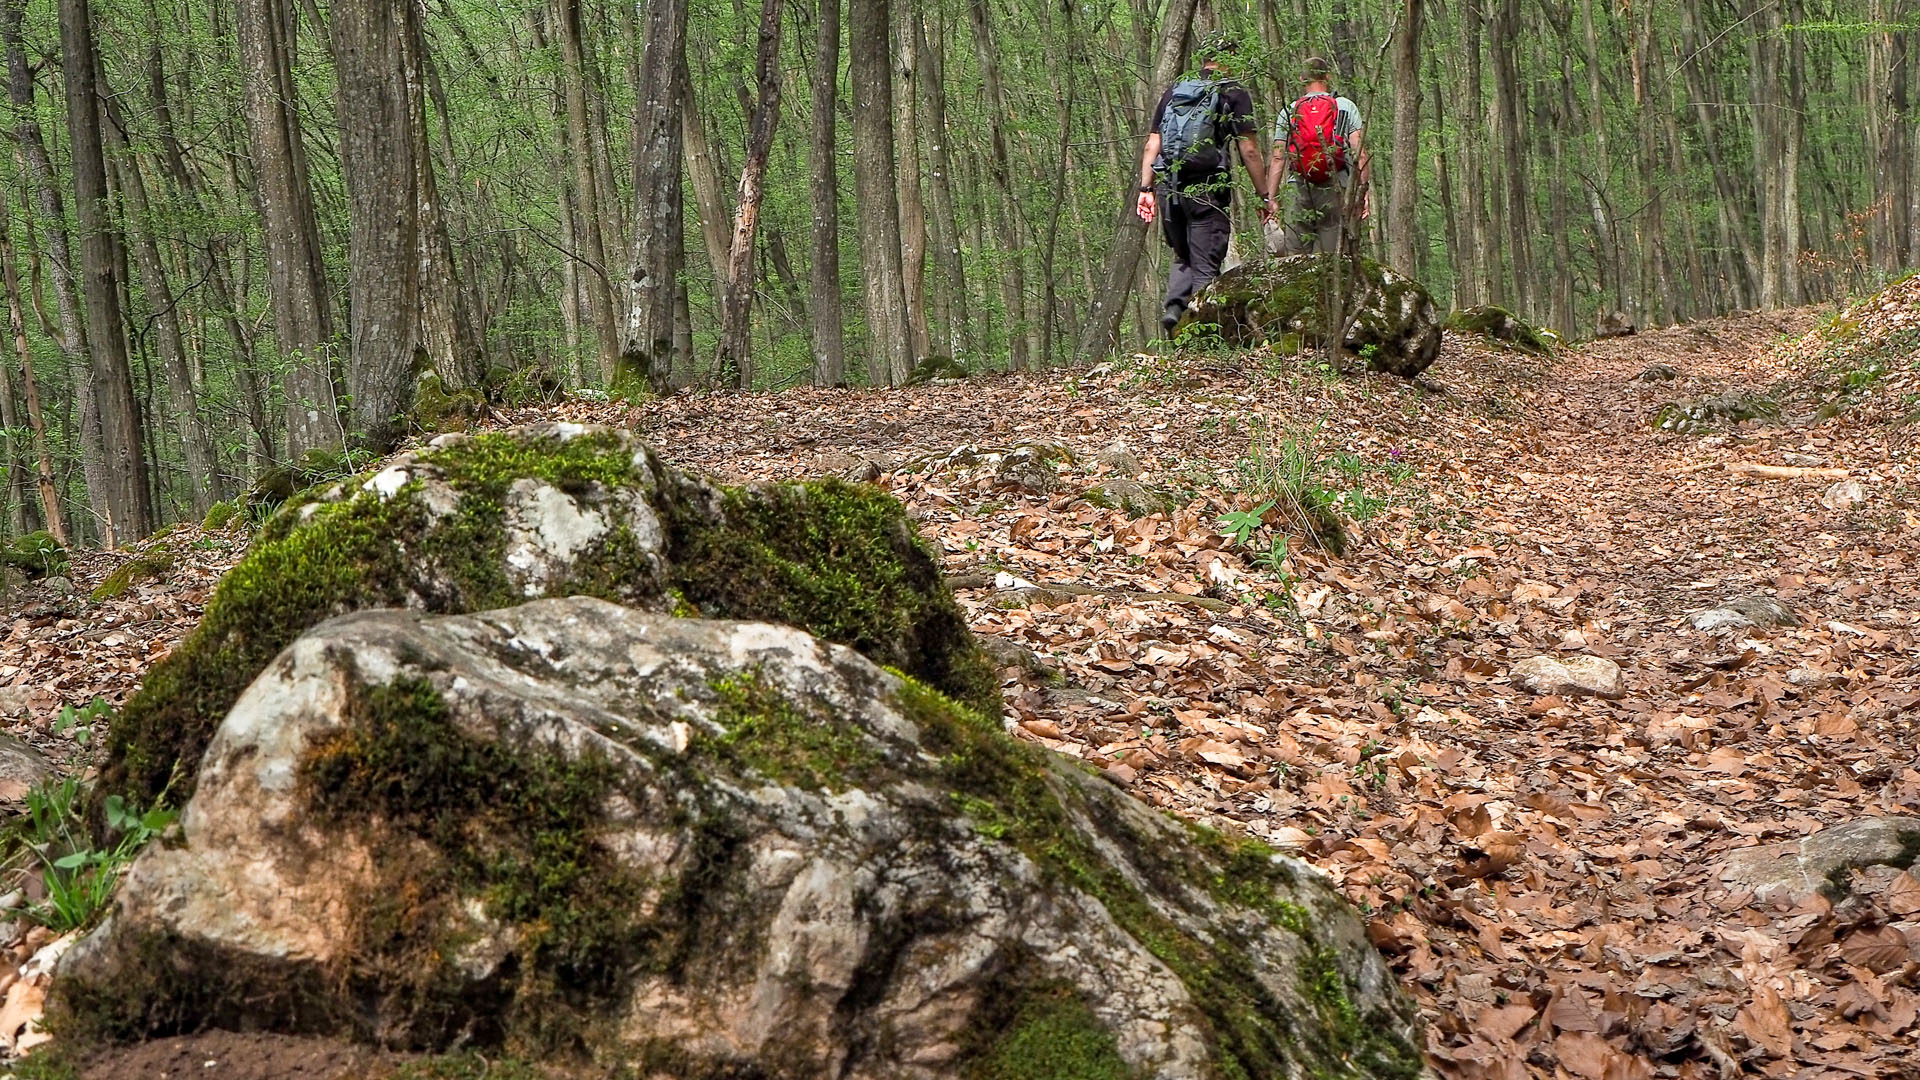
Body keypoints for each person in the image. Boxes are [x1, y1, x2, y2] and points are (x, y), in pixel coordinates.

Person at [1135, 36, 1267, 336]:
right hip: (1207, 189)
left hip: (1170, 189)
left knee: (1184, 256)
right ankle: (1203, 342)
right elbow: (1249, 150)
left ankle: (1174, 310)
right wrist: (1265, 195)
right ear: (1230, 59)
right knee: (1206, 266)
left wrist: (1146, 190)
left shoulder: (1176, 90)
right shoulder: (1232, 92)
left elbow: (1151, 145)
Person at [1265, 57, 1370, 256]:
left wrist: (1270, 199)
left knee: (1296, 256)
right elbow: (1360, 153)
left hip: (1299, 187)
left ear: (1302, 79)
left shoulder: (1290, 111)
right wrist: (1363, 192)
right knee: (1332, 256)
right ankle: (1330, 286)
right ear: (1327, 77)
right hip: (1336, 186)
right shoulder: (1345, 107)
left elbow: (1278, 158)